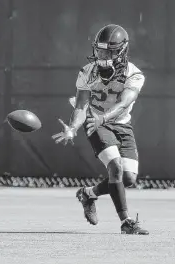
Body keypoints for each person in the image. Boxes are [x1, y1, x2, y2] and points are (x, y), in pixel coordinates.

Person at [52, 24, 149, 235]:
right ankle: (127, 222)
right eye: (101, 49)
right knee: (115, 166)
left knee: (129, 178)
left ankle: (88, 194)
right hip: (94, 123)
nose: (103, 54)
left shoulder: (134, 74)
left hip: (120, 124)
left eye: (110, 51)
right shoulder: (87, 72)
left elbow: (124, 103)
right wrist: (72, 128)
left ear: (122, 50)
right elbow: (80, 106)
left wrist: (103, 117)